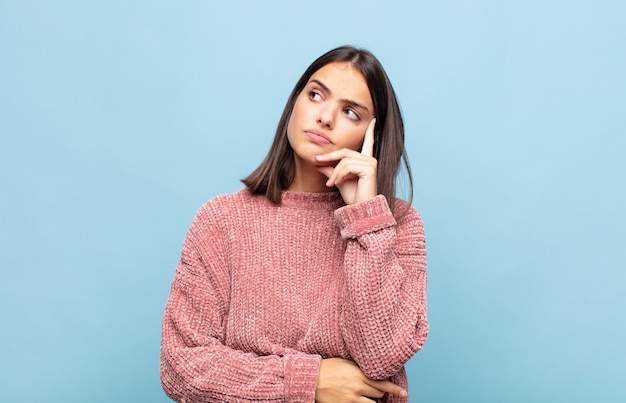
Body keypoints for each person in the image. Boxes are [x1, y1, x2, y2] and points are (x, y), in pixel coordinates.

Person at [160, 45, 428, 402]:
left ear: (372, 138)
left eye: (350, 112)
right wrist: (307, 382)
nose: (326, 117)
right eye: (316, 95)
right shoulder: (221, 220)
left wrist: (366, 219)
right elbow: (182, 367)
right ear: (295, 103)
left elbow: (382, 355)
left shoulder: (396, 224)